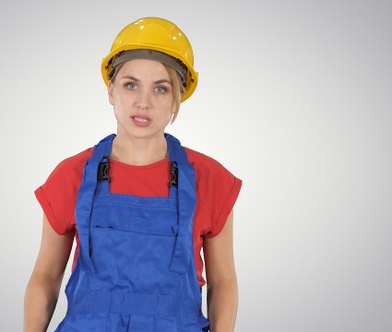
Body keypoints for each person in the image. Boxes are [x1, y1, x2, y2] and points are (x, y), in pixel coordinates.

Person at [24, 17, 242, 332]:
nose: (143, 102)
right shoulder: (72, 175)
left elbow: (223, 282)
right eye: (131, 84)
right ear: (111, 90)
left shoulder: (211, 179)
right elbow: (45, 276)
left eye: (161, 88)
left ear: (176, 98)